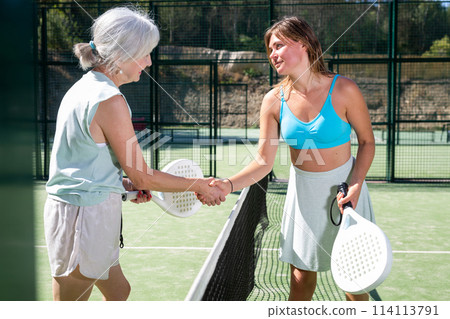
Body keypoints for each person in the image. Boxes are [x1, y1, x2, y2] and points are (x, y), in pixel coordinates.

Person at [44, 6, 225, 301]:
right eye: (144, 53)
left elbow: (83, 160)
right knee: (69, 304)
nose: (149, 61)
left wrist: (121, 186)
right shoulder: (109, 100)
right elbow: (142, 175)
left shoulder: (84, 88)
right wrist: (199, 185)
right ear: (121, 54)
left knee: (119, 292)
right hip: (83, 218)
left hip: (88, 210)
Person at [201, 16, 376, 301]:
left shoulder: (345, 89)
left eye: (279, 46)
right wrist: (226, 185)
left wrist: (355, 185)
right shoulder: (273, 100)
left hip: (347, 191)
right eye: (270, 49)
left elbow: (367, 142)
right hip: (303, 194)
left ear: (303, 43)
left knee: (354, 282)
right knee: (300, 279)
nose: (272, 54)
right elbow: (263, 162)